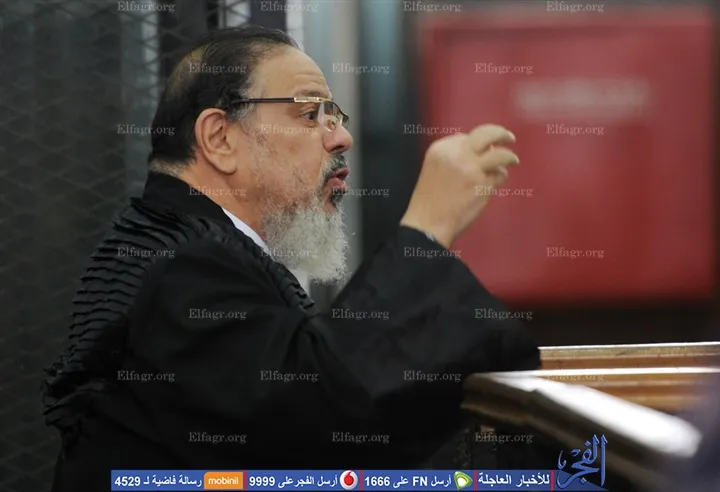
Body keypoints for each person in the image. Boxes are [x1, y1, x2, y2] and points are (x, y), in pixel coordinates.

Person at [42, 25, 539, 491]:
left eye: (335, 116)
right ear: (219, 138)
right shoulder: (182, 264)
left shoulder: (190, 244)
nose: (341, 137)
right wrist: (428, 227)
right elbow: (319, 419)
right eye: (309, 113)